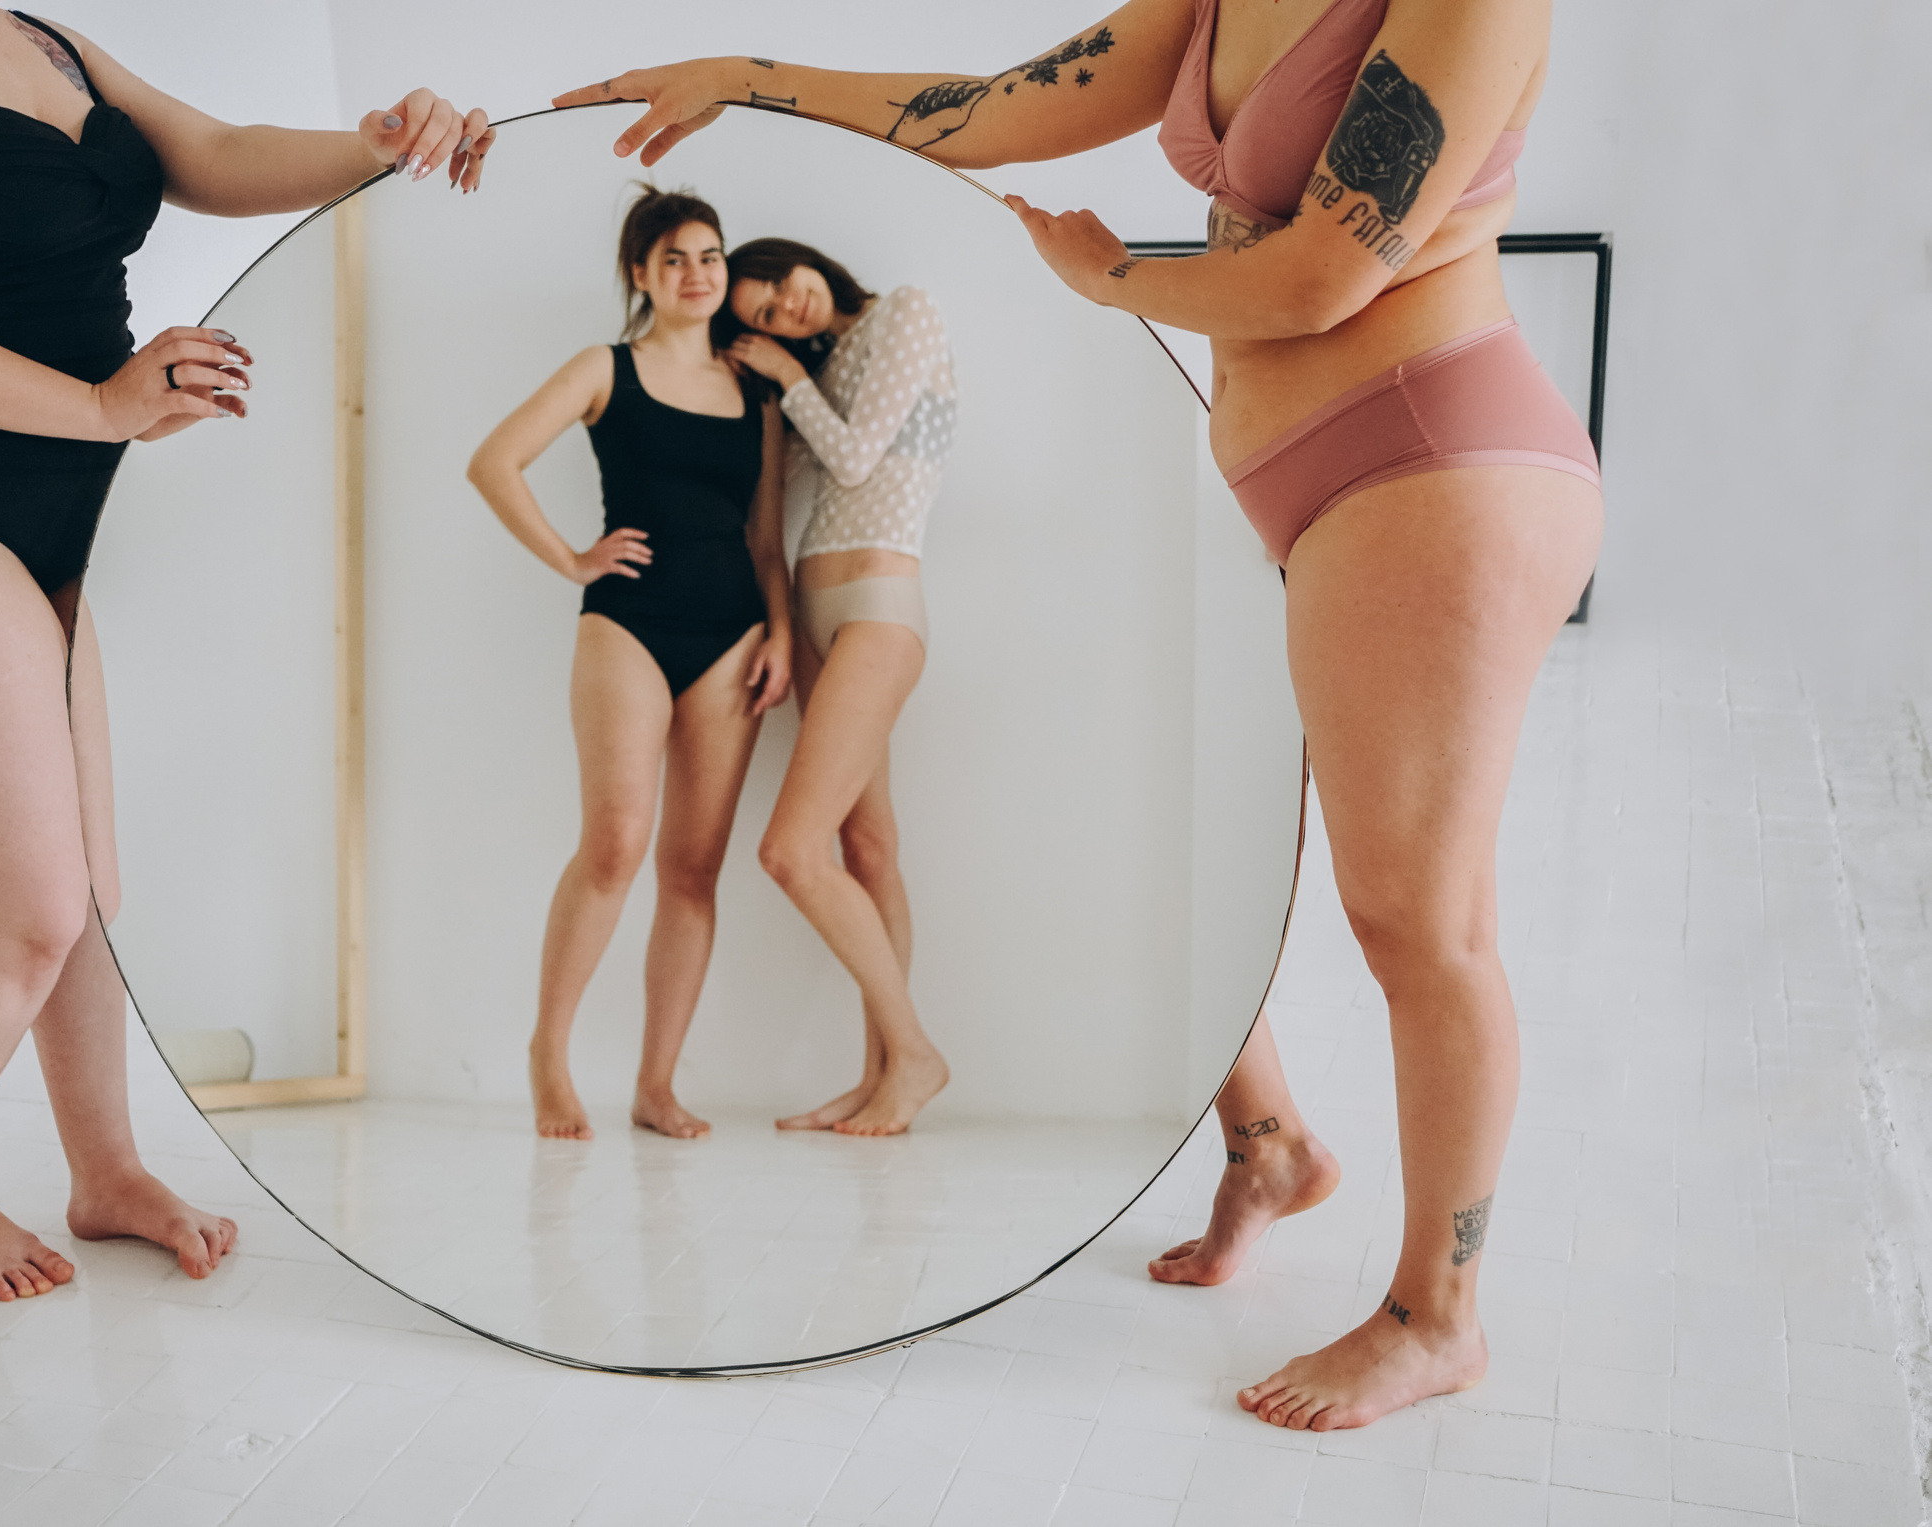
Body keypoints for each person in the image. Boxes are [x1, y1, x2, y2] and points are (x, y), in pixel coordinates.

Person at [560, 0, 1600, 1431]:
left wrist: (1105, 274)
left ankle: (1437, 1314)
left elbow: (1314, 278)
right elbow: (985, 108)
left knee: (1419, 922)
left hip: (1426, 452)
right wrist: (743, 77)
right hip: (1306, 492)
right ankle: (1271, 1145)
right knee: (1235, 874)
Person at [0, 0, 492, 1302]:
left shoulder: (34, 35)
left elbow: (208, 147)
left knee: (90, 892)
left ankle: (104, 1172)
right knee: (30, 903)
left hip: (75, 496)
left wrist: (376, 147)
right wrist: (102, 405)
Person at [466, 187, 794, 1142]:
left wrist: (778, 629)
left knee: (692, 868)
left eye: (712, 256)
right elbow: (494, 461)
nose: (699, 273)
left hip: (732, 633)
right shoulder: (605, 368)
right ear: (642, 276)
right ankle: (549, 1055)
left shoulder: (755, 393)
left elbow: (765, 536)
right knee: (614, 842)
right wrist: (572, 557)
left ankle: (656, 1086)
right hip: (629, 624)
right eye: (677, 259)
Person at [714, 240, 957, 1137]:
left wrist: (782, 368)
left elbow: (856, 460)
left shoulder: (905, 309)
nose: (787, 308)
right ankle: (881, 1078)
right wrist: (768, 401)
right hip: (816, 606)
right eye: (766, 316)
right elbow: (773, 509)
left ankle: (917, 1053)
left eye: (780, 286)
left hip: (881, 606)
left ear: (801, 260)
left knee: (789, 851)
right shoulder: (806, 381)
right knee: (867, 848)